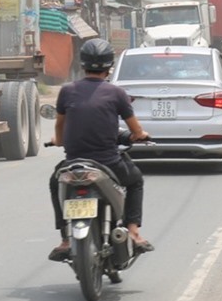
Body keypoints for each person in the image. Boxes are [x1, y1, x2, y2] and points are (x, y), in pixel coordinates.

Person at [48, 38, 153, 261]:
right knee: (135, 181)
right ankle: (133, 231)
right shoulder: (117, 93)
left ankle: (66, 238)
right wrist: (140, 136)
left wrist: (58, 140)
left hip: (73, 163)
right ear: (109, 66)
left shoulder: (67, 91)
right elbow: (136, 129)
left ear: (82, 63)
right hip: (108, 162)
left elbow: (60, 125)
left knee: (53, 183)